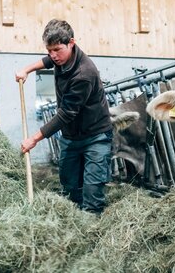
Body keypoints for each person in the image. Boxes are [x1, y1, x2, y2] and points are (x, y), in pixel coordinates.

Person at [15, 19, 113, 215]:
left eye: (57, 50)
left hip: (95, 136)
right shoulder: (60, 56)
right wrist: (26, 70)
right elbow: (47, 61)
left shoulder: (84, 74)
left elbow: (65, 114)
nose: (53, 55)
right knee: (68, 187)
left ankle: (91, 227)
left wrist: (34, 139)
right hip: (70, 137)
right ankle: (74, 219)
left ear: (71, 42)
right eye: (49, 50)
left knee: (92, 190)